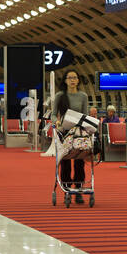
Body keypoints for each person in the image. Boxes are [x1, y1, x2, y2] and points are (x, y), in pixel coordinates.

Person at [54, 69, 91, 202]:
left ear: (78, 80)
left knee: (79, 162)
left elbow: (85, 114)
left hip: (78, 132)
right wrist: (56, 121)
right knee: (65, 163)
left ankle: (79, 190)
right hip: (64, 132)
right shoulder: (60, 96)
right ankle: (67, 191)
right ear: (65, 80)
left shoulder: (83, 96)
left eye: (75, 77)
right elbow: (53, 114)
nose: (72, 80)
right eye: (70, 78)